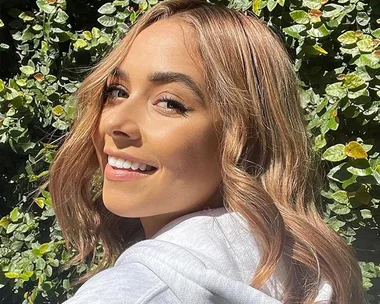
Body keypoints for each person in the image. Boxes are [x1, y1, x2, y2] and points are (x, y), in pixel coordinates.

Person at [49, 0, 365, 303]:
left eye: (170, 103)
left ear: (245, 136)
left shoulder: (140, 289)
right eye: (117, 91)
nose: (115, 121)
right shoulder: (307, 270)